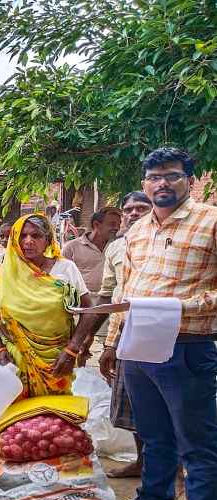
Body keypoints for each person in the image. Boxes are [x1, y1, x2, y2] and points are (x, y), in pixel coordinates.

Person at [106, 148, 217, 500]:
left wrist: (176, 306)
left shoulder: (210, 221)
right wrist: (114, 344)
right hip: (139, 347)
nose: (161, 185)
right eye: (154, 178)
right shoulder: (137, 231)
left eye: (172, 176)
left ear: (190, 179)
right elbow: (127, 290)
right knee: (152, 436)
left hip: (187, 346)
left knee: (199, 449)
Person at [0, 214, 100, 399]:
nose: (28, 241)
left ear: (48, 240)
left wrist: (72, 349)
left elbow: (88, 312)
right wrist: (0, 350)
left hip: (57, 359)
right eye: (22, 235)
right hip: (15, 358)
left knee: (55, 420)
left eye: (36, 236)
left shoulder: (65, 269)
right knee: (16, 419)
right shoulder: (2, 272)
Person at [95, 191, 153, 479]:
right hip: (123, 335)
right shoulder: (116, 247)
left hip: (160, 333)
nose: (132, 214)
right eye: (128, 209)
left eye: (140, 208)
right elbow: (110, 295)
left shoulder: (164, 243)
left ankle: (174, 471)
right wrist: (104, 343)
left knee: (166, 407)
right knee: (134, 406)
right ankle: (142, 462)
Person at [61, 207, 122, 297]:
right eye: (112, 224)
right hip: (81, 304)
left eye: (119, 224)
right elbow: (62, 277)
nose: (117, 228)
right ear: (96, 225)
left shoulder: (118, 247)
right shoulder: (71, 247)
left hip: (111, 302)